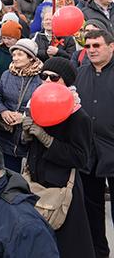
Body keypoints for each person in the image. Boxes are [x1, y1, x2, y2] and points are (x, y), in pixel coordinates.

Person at [22, 57, 95, 258]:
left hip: (61, 189)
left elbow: (80, 158)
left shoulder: (79, 116)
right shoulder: (36, 105)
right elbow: (26, 148)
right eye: (43, 76)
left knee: (65, 247)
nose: (46, 81)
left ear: (67, 82)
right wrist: (26, 136)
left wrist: (46, 139)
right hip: (36, 183)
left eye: (53, 77)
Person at [74, 29, 114, 258]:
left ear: (111, 46)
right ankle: (99, 253)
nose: (91, 50)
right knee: (92, 212)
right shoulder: (80, 74)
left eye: (96, 45)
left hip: (112, 152)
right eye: (87, 46)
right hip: (88, 155)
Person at [0, 38, 43, 172]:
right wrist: (3, 111)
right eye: (14, 54)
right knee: (8, 174)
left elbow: (44, 106)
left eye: (20, 54)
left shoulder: (41, 79)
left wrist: (24, 116)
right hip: (6, 135)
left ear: (31, 57)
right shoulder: (6, 75)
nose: (15, 58)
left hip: (28, 137)